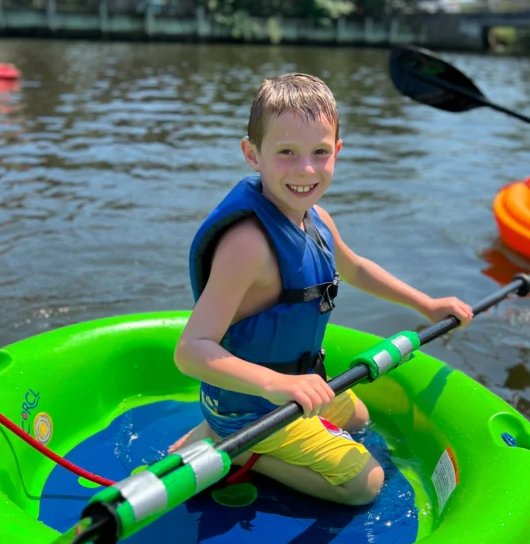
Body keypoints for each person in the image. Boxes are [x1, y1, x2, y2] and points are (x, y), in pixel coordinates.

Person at [169, 73, 473, 506]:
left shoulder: (317, 218)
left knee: (361, 417)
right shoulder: (247, 246)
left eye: (320, 153)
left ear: (338, 152)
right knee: (363, 484)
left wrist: (426, 304)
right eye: (286, 153)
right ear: (252, 154)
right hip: (250, 406)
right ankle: (234, 448)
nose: (306, 170)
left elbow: (356, 268)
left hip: (291, 389)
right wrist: (273, 383)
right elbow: (191, 350)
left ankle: (230, 436)